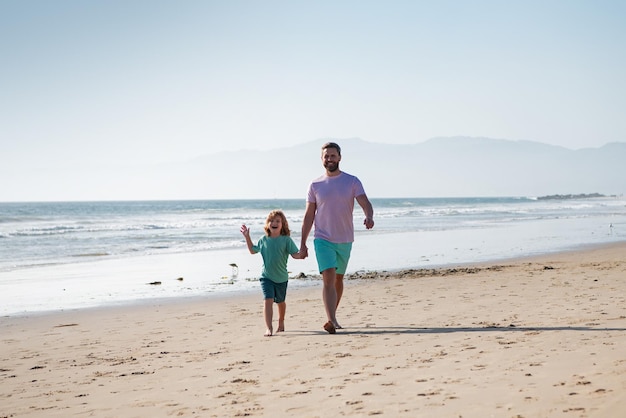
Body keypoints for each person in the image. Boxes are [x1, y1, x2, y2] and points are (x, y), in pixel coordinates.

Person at [300, 142, 374, 334]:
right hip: (322, 238)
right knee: (329, 278)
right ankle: (331, 319)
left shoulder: (352, 181)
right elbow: (309, 216)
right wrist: (303, 244)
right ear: (321, 159)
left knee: (338, 279)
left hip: (345, 239)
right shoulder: (315, 185)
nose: (329, 159)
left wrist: (369, 216)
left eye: (333, 156)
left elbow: (365, 203)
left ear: (340, 157)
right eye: (326, 156)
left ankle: (333, 317)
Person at [241, 210, 305, 337]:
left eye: (277, 221)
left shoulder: (286, 240)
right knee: (268, 300)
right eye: (271, 221)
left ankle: (281, 321)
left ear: (283, 224)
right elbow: (253, 251)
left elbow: (295, 254)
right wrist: (247, 237)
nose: (274, 223)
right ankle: (269, 328)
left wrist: (302, 255)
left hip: (281, 278)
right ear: (267, 224)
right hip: (266, 277)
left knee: (280, 302)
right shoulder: (263, 239)